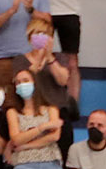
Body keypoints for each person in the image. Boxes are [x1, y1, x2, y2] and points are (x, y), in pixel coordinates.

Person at [14, 13, 76, 159]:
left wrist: (48, 57)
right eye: (37, 34)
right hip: (33, 114)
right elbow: (26, 78)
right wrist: (37, 61)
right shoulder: (20, 60)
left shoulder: (59, 58)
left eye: (45, 34)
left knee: (63, 155)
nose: (41, 37)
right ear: (29, 37)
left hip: (58, 112)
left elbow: (63, 80)